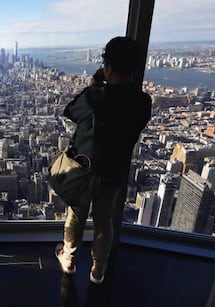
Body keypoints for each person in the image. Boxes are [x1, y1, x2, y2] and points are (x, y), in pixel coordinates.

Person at [55, 36, 152, 284]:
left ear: (108, 67)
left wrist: (97, 85)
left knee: (76, 216)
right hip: (114, 173)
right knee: (103, 221)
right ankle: (98, 270)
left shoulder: (95, 96)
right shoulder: (143, 102)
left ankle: (68, 260)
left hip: (84, 172)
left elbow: (71, 111)